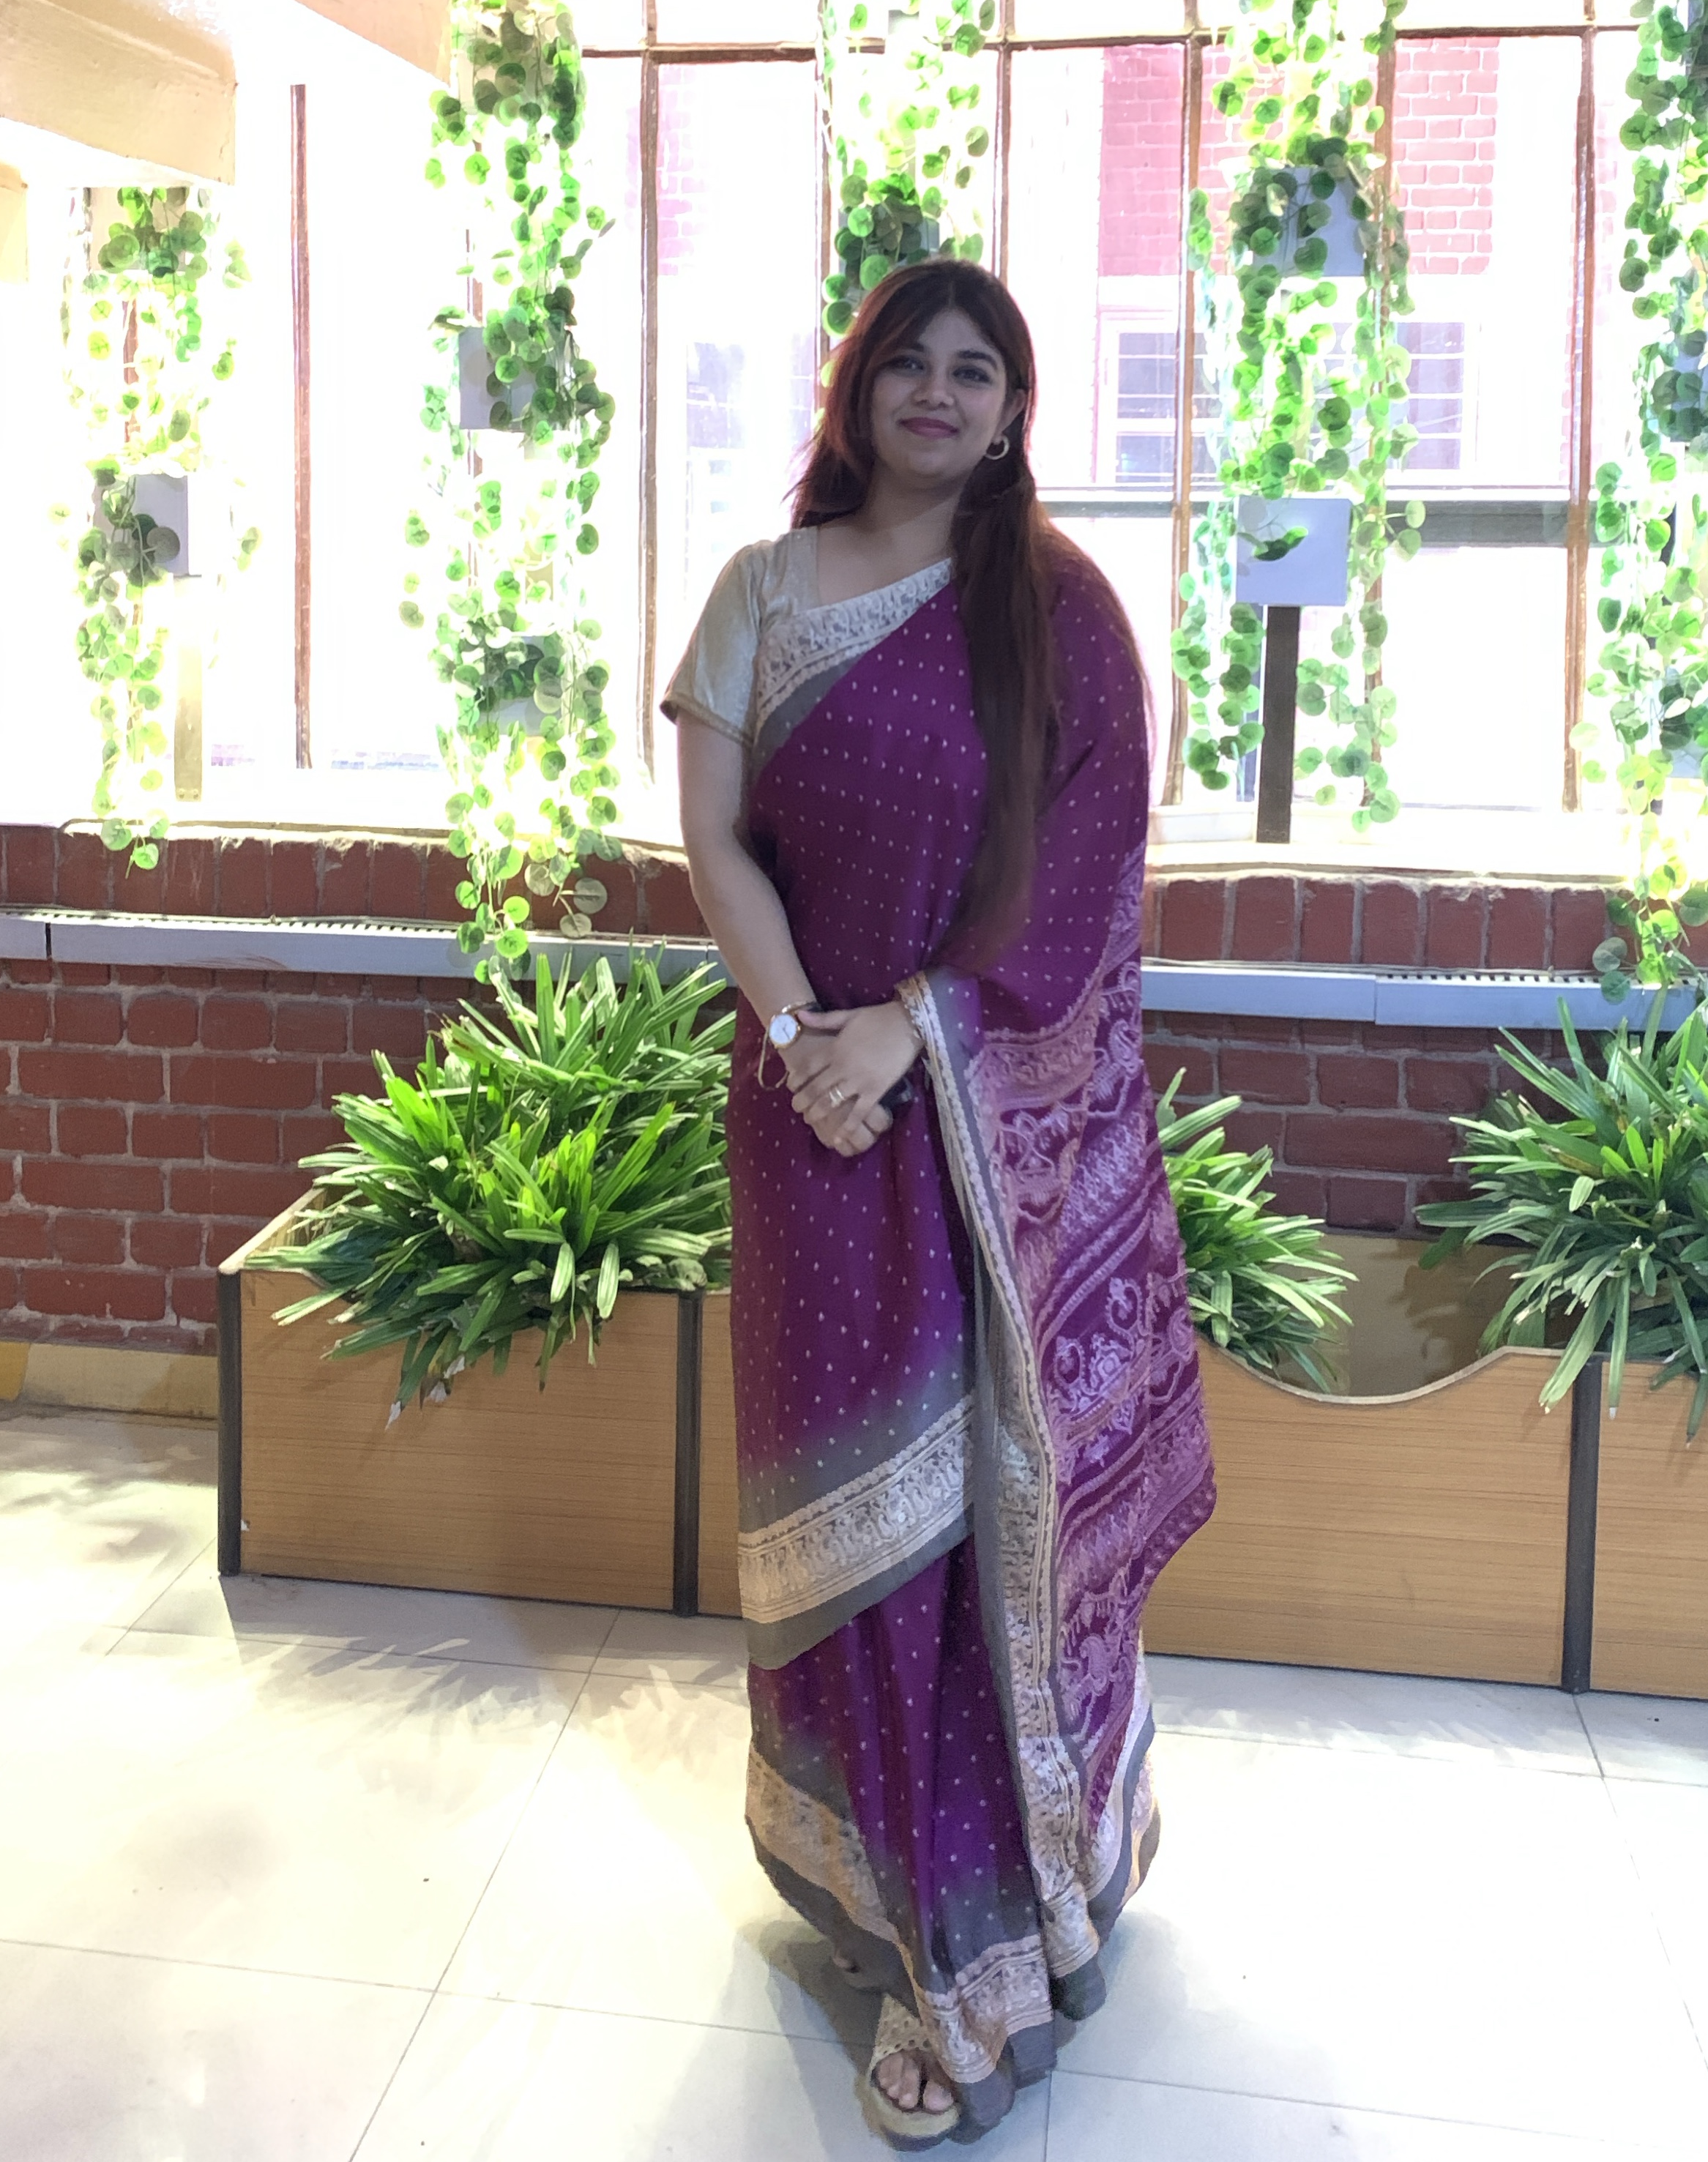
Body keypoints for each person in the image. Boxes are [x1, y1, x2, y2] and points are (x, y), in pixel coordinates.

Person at [665, 258, 1215, 2145]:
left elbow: (1089, 869)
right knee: (857, 1524)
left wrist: (915, 1028)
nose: (938, 392)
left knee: (991, 1509)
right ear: (857, 386)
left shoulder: (1055, 611)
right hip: (809, 1114)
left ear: (1013, 411)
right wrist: (803, 1038)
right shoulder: (762, 589)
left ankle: (997, 1931)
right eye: (908, 360)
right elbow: (713, 837)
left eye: (976, 371)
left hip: (984, 1121)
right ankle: (907, 1906)